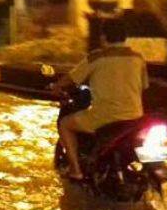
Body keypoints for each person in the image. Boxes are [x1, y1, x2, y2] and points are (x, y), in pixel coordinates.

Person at [51, 18, 149, 180]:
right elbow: (144, 86)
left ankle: (76, 171)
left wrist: (56, 87)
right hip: (135, 118)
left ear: (103, 37)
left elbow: (70, 79)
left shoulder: (96, 58)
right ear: (125, 37)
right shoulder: (138, 58)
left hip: (105, 118)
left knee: (65, 124)